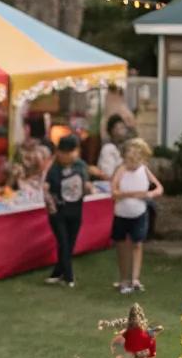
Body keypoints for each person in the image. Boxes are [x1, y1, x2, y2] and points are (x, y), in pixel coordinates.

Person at [111, 137, 163, 295]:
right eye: (129, 159)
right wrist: (132, 194)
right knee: (122, 246)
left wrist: (149, 194)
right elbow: (114, 192)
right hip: (122, 214)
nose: (132, 163)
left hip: (139, 214)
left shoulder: (144, 170)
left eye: (135, 160)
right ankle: (123, 279)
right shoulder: (121, 170)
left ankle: (135, 279)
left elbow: (159, 188)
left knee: (137, 244)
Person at [43, 133, 90, 287]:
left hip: (76, 211)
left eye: (72, 152)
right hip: (58, 212)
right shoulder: (54, 168)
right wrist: (49, 203)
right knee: (63, 242)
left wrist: (88, 188)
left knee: (69, 245)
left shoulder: (81, 166)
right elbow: (47, 188)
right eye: (64, 152)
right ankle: (69, 277)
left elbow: (85, 186)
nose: (68, 156)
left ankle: (57, 273)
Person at [94, 114, 130, 184]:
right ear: (112, 131)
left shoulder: (123, 148)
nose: (123, 131)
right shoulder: (108, 149)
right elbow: (107, 175)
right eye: (119, 128)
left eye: (123, 128)